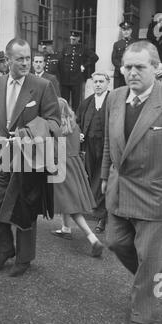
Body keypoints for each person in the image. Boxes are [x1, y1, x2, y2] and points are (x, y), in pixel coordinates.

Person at [0, 38, 61, 277]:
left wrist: (28, 133)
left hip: (29, 158)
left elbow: (54, 123)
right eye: (20, 59)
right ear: (7, 60)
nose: (26, 63)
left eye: (28, 57)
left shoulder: (42, 85)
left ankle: (24, 258)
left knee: (25, 210)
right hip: (1, 155)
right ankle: (4, 249)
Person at [101, 41, 162, 324]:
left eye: (140, 66)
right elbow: (106, 142)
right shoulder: (115, 97)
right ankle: (149, 282)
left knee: (150, 260)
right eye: (127, 67)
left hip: (154, 194)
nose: (132, 72)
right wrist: (103, 176)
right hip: (119, 188)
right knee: (114, 242)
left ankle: (144, 310)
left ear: (157, 68)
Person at [51, 98, 104, 257]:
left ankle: (93, 239)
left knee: (71, 206)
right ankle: (66, 228)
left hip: (61, 166)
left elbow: (53, 152)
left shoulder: (54, 128)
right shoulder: (74, 126)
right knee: (67, 199)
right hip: (75, 166)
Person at [77, 72, 110, 234]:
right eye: (95, 82)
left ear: (107, 83)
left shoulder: (113, 101)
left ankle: (102, 218)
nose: (98, 84)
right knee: (90, 176)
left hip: (106, 147)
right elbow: (76, 122)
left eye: (101, 81)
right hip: (89, 146)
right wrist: (79, 134)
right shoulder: (86, 102)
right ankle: (94, 208)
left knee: (104, 178)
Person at [59, 30, 99, 113]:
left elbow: (95, 57)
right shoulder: (65, 47)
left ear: (78, 38)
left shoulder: (83, 48)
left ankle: (75, 118)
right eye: (71, 38)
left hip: (76, 79)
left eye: (74, 39)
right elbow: (60, 61)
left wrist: (84, 65)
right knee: (64, 101)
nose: (72, 40)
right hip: (65, 79)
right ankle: (64, 117)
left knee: (76, 102)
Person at [112, 21, 136, 89]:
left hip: (131, 73)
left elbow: (136, 58)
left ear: (131, 31)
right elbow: (114, 58)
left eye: (128, 30)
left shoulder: (135, 43)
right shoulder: (117, 44)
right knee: (117, 94)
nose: (126, 32)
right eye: (124, 30)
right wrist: (121, 67)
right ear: (121, 31)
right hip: (119, 74)